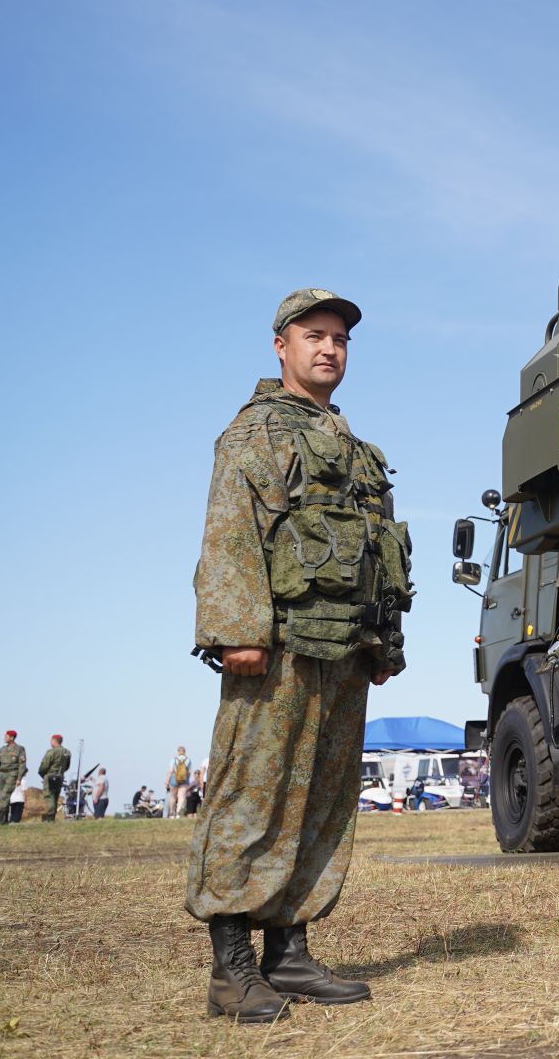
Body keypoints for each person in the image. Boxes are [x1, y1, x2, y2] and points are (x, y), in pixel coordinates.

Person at [186, 288, 411, 1024]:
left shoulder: (353, 447)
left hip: (345, 648)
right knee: (256, 794)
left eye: (341, 339)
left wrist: (386, 642)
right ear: (279, 345)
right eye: (314, 335)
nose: (329, 349)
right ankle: (232, 969)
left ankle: (290, 953)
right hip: (277, 648)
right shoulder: (255, 433)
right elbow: (231, 530)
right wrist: (236, 630)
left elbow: (380, 554)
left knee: (322, 798)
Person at [0, 731, 26, 826]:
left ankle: (0, 818)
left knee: (5, 795)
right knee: (2, 796)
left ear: (12, 738)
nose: (4, 738)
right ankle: (4, 820)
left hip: (12, 774)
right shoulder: (2, 749)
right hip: (2, 775)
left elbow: (22, 765)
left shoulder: (19, 749)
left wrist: (19, 778)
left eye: (6, 736)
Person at [39, 735, 71, 823]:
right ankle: (52, 817)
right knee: (55, 797)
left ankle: (49, 818)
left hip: (50, 776)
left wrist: (42, 774)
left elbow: (44, 766)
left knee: (49, 796)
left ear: (54, 740)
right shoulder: (67, 752)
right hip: (60, 776)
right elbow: (67, 766)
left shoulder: (51, 752)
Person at [167, 747, 193, 818]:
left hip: (174, 778)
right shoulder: (188, 759)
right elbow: (189, 772)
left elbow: (170, 770)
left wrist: (167, 780)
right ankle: (178, 813)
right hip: (184, 779)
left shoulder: (174, 759)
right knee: (181, 796)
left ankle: (172, 813)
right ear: (185, 751)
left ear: (178, 751)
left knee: (173, 796)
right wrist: (187, 778)